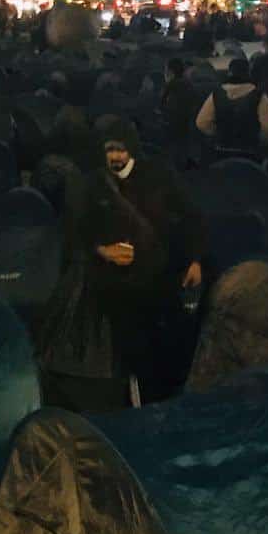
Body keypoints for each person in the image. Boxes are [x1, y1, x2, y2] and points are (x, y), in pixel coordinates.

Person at [69, 115, 204, 408]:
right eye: (109, 150)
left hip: (159, 281)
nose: (115, 156)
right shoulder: (93, 185)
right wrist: (102, 251)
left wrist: (194, 259)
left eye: (120, 149)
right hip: (113, 288)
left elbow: (189, 217)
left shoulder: (158, 176)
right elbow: (77, 230)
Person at [194, 57, 268, 154]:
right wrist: (260, 141)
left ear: (230, 72)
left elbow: (202, 122)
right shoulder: (258, 95)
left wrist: (217, 134)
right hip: (249, 149)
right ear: (248, 73)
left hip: (222, 148)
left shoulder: (217, 94)